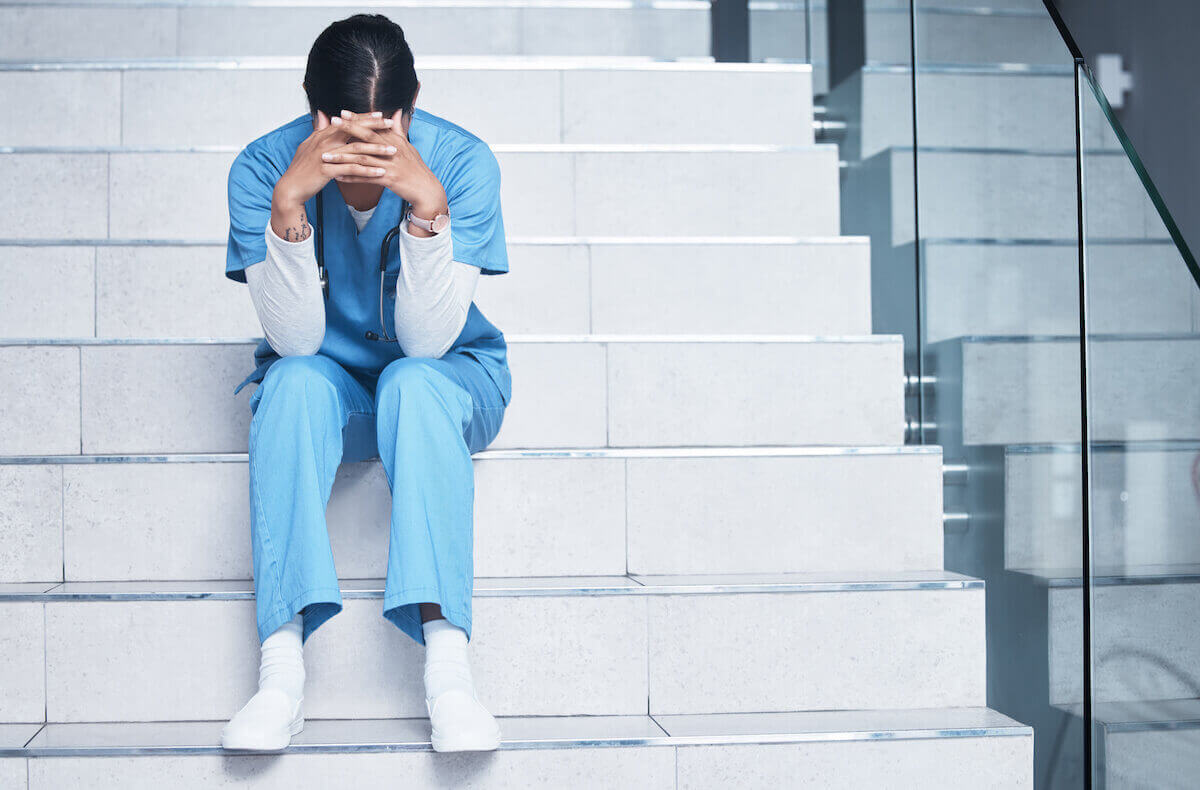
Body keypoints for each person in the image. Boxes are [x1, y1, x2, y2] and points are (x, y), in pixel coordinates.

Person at [219, 13, 511, 753]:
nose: (363, 158)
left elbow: (428, 341)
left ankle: (450, 675)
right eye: (344, 133)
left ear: (408, 114)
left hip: (448, 380)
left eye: (387, 129)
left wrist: (427, 210)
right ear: (316, 116)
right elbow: (297, 342)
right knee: (289, 383)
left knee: (413, 383)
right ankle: (280, 673)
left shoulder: (462, 162)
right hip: (331, 385)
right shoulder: (263, 169)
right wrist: (288, 210)